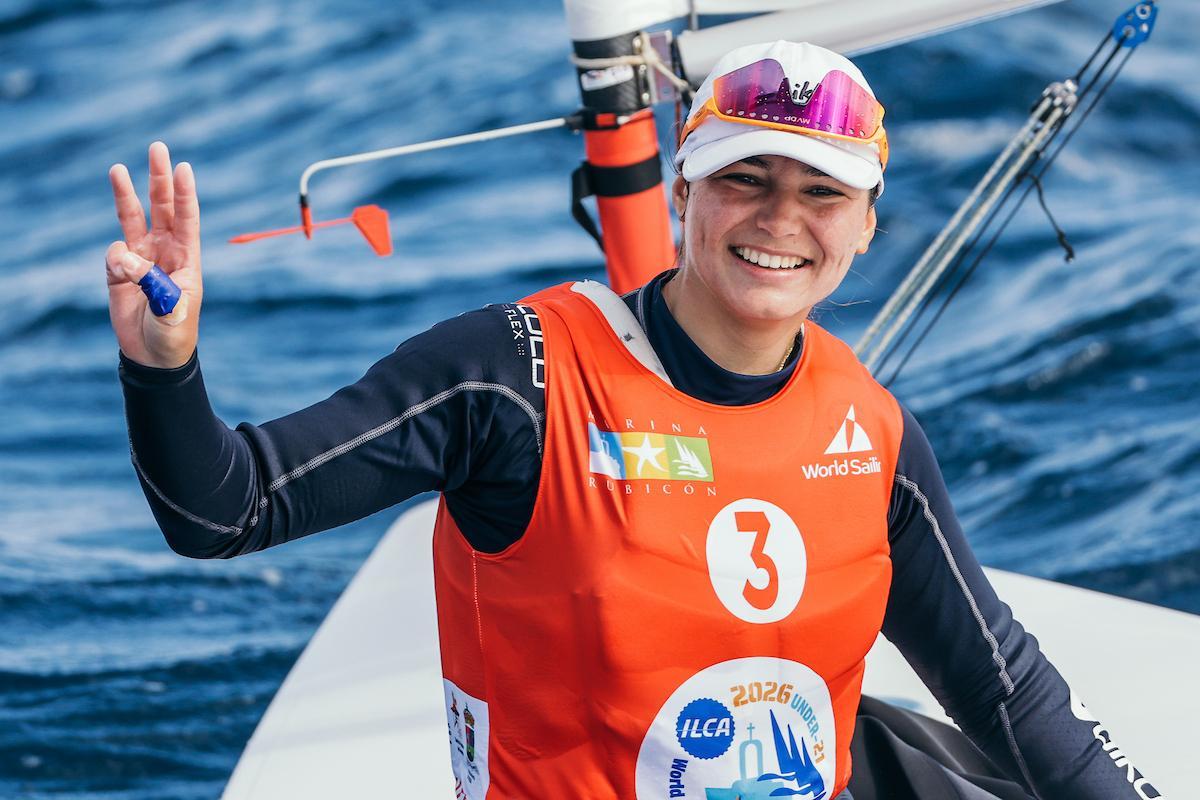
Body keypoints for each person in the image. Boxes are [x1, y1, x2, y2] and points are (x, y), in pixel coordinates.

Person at [107, 40, 1161, 800]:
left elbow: (1004, 687)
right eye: (744, 176)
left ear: (867, 224)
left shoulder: (871, 428)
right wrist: (165, 365)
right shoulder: (511, 376)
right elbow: (224, 508)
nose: (779, 218)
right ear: (686, 189)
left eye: (820, 191)